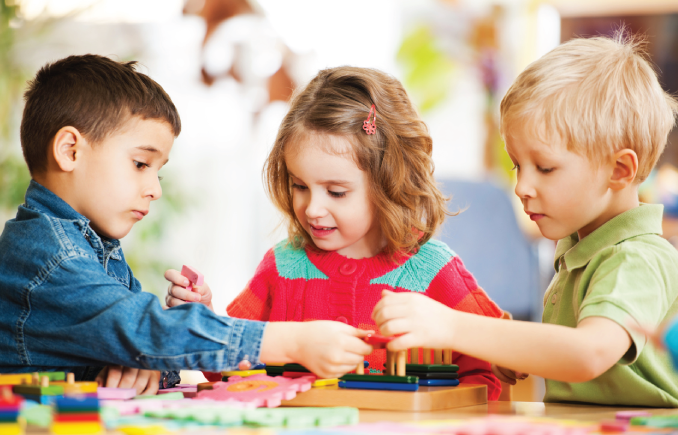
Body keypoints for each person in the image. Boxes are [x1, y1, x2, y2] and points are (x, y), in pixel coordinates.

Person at [0, 54, 373, 395]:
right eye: (141, 164)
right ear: (70, 151)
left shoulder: (93, 246)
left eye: (158, 171)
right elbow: (143, 331)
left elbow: (144, 347)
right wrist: (292, 342)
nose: (154, 190)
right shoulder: (47, 256)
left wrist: (144, 360)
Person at [372, 32, 678, 407]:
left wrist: (452, 326)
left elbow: (589, 353)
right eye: (518, 166)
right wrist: (512, 351)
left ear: (618, 170)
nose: (522, 187)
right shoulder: (580, 251)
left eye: (545, 168)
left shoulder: (637, 258)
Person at [165, 66, 504, 399]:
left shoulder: (434, 271)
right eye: (300, 186)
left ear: (389, 181)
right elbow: (231, 366)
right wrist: (205, 317)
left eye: (336, 192)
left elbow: (486, 376)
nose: (312, 209)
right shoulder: (282, 266)